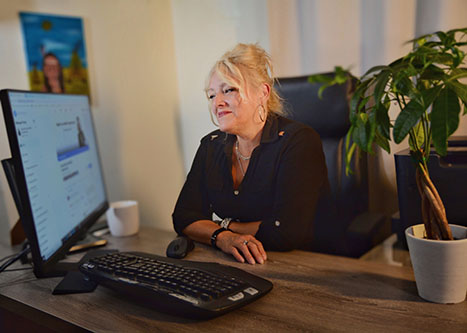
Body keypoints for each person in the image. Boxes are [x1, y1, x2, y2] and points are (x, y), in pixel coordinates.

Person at [172, 43, 328, 265]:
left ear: (262, 92)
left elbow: (287, 231)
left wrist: (222, 225)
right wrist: (223, 237)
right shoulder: (211, 145)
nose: (218, 103)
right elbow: (184, 217)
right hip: (235, 261)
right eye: (211, 95)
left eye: (229, 90)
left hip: (304, 265)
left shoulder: (298, 141)